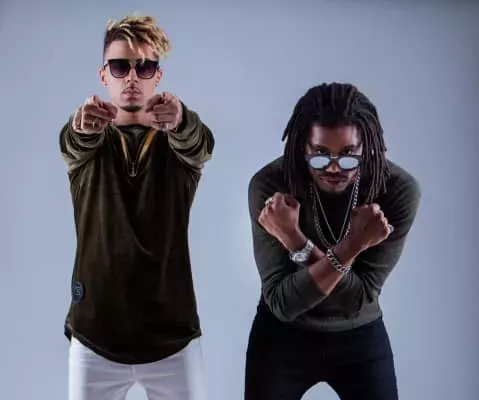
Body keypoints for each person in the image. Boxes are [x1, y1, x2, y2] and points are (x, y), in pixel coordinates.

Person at [59, 15, 214, 400]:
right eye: (119, 66)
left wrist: (181, 120)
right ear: (103, 75)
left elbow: (200, 144)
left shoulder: (178, 142)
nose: (131, 77)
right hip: (95, 337)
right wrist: (80, 127)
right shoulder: (88, 139)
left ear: (157, 76)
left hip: (172, 338)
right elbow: (72, 142)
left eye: (144, 67)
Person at [245, 82, 421, 400]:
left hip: (360, 337)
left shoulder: (396, 191)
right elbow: (283, 303)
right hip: (282, 338)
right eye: (320, 155)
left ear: (366, 147)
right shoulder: (272, 187)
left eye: (349, 155)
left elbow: (357, 299)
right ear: (303, 147)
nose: (335, 167)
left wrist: (294, 240)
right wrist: (353, 246)